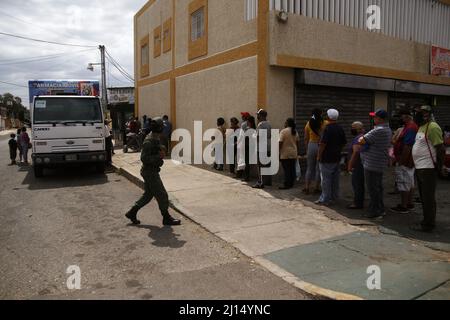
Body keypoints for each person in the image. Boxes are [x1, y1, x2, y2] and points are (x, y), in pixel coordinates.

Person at [125, 118, 181, 226]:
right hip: (150, 172)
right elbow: (144, 158)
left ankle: (132, 212)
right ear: (159, 128)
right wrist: (158, 156)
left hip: (151, 171)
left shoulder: (154, 137)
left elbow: (157, 148)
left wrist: (161, 148)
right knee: (162, 195)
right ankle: (166, 218)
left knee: (148, 195)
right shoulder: (149, 140)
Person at [411, 105, 446, 233]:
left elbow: (440, 149)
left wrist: (440, 166)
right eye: (417, 113)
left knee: (428, 197)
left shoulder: (433, 127)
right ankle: (426, 220)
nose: (419, 115)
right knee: (423, 197)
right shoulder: (421, 126)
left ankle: (428, 224)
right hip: (420, 167)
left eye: (423, 113)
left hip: (428, 168)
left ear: (428, 114)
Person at [359, 109, 393, 219]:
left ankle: (375, 211)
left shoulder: (379, 130)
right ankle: (380, 209)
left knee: (373, 188)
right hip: (379, 162)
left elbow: (361, 140)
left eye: (375, 117)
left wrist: (362, 137)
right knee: (377, 187)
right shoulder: (387, 129)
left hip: (372, 164)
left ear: (381, 119)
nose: (373, 119)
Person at [315, 109, 347, 206]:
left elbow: (322, 144)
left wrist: (319, 155)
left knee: (325, 180)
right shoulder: (340, 128)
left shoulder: (327, 128)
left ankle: (325, 199)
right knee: (335, 179)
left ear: (328, 117)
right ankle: (334, 197)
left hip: (326, 158)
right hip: (337, 157)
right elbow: (343, 142)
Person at [391, 109, 418, 214]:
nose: (401, 118)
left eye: (402, 116)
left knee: (404, 183)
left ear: (407, 117)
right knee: (409, 182)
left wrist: (401, 161)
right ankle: (409, 203)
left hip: (405, 160)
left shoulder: (410, 128)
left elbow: (408, 146)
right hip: (408, 160)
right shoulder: (409, 127)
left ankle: (404, 206)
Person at [304, 109, 326, 195]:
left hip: (311, 145)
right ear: (321, 114)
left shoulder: (308, 123)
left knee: (309, 168)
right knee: (318, 168)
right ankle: (316, 188)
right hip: (320, 145)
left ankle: (307, 187)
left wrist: (307, 149)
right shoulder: (325, 123)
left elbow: (306, 138)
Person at [347, 122, 366, 209]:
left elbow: (356, 152)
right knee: (359, 183)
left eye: (353, 127)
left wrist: (350, 165)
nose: (352, 129)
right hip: (361, 163)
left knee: (357, 184)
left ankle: (357, 203)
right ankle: (359, 201)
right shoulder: (362, 137)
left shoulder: (358, 138)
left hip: (357, 164)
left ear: (359, 129)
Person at [253, 109, 272, 189]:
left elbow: (258, 137)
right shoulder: (269, 124)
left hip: (261, 147)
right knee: (267, 165)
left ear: (260, 115)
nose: (257, 116)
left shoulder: (260, 124)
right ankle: (267, 181)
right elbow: (270, 135)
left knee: (260, 166)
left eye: (258, 114)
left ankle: (260, 182)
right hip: (268, 146)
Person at [279, 118, 300, 190]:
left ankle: (286, 184)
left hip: (285, 153)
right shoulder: (295, 131)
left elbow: (280, 142)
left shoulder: (283, 131)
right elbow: (297, 143)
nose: (284, 123)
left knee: (287, 170)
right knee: (292, 169)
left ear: (287, 123)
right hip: (294, 152)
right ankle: (291, 183)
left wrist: (278, 151)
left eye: (285, 122)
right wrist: (297, 152)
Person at [236, 112, 250, 178]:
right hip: (246, 144)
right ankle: (244, 175)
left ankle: (241, 175)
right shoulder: (249, 123)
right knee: (246, 160)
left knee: (241, 159)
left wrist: (238, 142)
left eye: (243, 115)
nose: (241, 116)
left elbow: (242, 135)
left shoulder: (244, 124)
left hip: (242, 144)